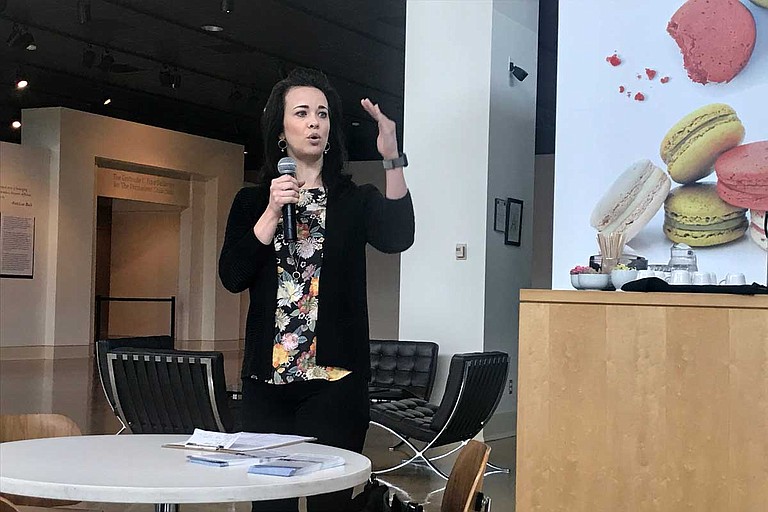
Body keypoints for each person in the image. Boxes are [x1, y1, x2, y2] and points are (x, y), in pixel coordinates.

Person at [218, 67, 414, 511]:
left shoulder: (353, 199)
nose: (314, 123)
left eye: (322, 115)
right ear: (281, 130)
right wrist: (271, 211)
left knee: (332, 505)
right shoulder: (252, 202)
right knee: (270, 505)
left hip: (335, 385)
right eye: (302, 113)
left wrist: (391, 157)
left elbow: (398, 236)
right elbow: (233, 276)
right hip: (266, 386)